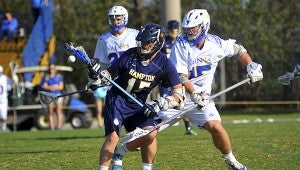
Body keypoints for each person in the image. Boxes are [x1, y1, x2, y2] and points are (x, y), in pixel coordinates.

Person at [167, 9, 263, 170]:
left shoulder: (215, 43)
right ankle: (119, 155)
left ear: (204, 26)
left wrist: (251, 66)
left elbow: (238, 49)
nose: (189, 31)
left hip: (202, 101)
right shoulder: (181, 44)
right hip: (180, 97)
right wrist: (195, 93)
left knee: (217, 127)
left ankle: (231, 162)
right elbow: (181, 77)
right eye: (188, 28)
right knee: (149, 131)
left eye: (194, 27)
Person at [87, 23, 185, 170]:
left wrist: (161, 103)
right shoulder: (130, 54)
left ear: (157, 43)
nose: (142, 45)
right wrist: (96, 76)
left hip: (138, 103)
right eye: (141, 41)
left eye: (147, 42)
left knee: (151, 133)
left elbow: (179, 94)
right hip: (118, 99)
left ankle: (139, 164)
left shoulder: (164, 63)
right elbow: (109, 74)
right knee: (113, 136)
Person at [92, 5, 139, 128]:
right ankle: (114, 134)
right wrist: (97, 78)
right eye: (112, 19)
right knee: (115, 110)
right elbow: (100, 63)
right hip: (114, 79)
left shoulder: (135, 35)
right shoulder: (104, 39)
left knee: (136, 110)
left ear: (125, 19)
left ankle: (138, 135)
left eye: (118, 19)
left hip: (134, 77)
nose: (115, 22)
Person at [160, 19, 198, 135]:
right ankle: (155, 126)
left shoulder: (183, 41)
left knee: (182, 100)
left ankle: (187, 127)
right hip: (165, 75)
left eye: (176, 28)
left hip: (179, 75)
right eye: (172, 28)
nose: (174, 31)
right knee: (165, 101)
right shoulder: (163, 42)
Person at [41, 64, 64, 130]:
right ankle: (52, 127)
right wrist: (53, 86)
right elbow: (45, 86)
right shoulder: (47, 77)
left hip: (58, 96)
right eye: (50, 68)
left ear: (55, 69)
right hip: (50, 96)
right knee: (50, 112)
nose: (52, 70)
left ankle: (59, 126)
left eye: (53, 68)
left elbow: (61, 87)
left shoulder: (58, 77)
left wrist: (53, 87)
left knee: (58, 111)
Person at [0, 65, 12, 131]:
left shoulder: (5, 78)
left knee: (3, 115)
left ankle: (3, 127)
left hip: (3, 99)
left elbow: (9, 87)